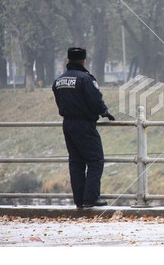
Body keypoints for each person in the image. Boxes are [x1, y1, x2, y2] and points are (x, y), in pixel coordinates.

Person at [52, 47, 115, 209]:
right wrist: (104, 111)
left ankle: (79, 199)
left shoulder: (58, 80)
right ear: (84, 61)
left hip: (67, 124)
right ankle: (91, 198)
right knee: (95, 160)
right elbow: (95, 100)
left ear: (68, 61)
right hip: (84, 124)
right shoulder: (86, 79)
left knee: (76, 162)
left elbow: (59, 101)